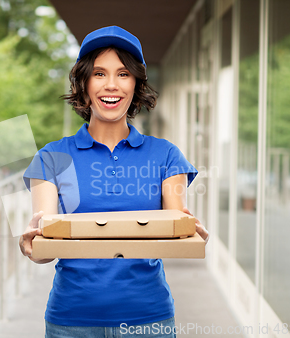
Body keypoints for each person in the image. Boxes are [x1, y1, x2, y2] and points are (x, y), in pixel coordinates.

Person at [19, 25, 209, 338]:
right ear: (83, 82)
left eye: (123, 74)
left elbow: (177, 231)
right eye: (99, 73)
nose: (111, 85)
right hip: (72, 320)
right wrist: (30, 245)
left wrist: (192, 235)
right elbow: (45, 243)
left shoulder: (165, 155)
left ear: (136, 83)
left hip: (148, 319)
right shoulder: (51, 157)